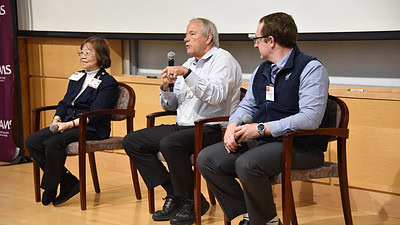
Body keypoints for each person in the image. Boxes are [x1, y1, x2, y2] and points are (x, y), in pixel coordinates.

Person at [197, 12, 330, 225]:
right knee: (207, 159)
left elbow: (310, 119)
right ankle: (256, 214)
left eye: (257, 39)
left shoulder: (311, 69)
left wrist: (260, 129)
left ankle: (264, 220)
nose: (254, 45)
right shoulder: (262, 70)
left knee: (248, 164)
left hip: (299, 145)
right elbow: (248, 104)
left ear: (271, 40)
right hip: (264, 142)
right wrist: (233, 125)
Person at [122, 18, 242, 225]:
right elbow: (171, 106)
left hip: (211, 128)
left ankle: (189, 201)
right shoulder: (189, 63)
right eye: (186, 35)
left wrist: (187, 75)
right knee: (132, 141)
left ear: (208, 37)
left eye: (192, 34)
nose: (186, 39)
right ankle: (180, 195)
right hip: (184, 126)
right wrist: (166, 89)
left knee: (170, 143)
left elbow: (216, 96)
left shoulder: (223, 60)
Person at [25, 37, 119, 207]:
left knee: (53, 143)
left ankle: (51, 188)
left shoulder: (108, 82)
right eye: (81, 52)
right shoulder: (77, 76)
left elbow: (96, 114)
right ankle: (67, 181)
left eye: (88, 52)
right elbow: (65, 102)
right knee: (32, 141)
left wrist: (68, 125)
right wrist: (57, 118)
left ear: (101, 55)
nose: (83, 56)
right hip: (67, 123)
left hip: (92, 127)